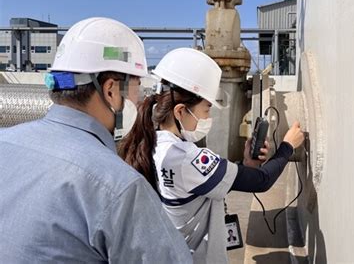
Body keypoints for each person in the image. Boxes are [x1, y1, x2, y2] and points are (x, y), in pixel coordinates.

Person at [0, 17, 192, 263]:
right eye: (137, 86)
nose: (141, 97)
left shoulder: (5, 142)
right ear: (111, 90)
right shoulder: (118, 186)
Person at [118, 47, 304, 264]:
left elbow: (199, 181)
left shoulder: (154, 144)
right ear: (180, 111)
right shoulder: (185, 157)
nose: (208, 117)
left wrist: (244, 164)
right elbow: (262, 182)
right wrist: (288, 146)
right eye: (206, 110)